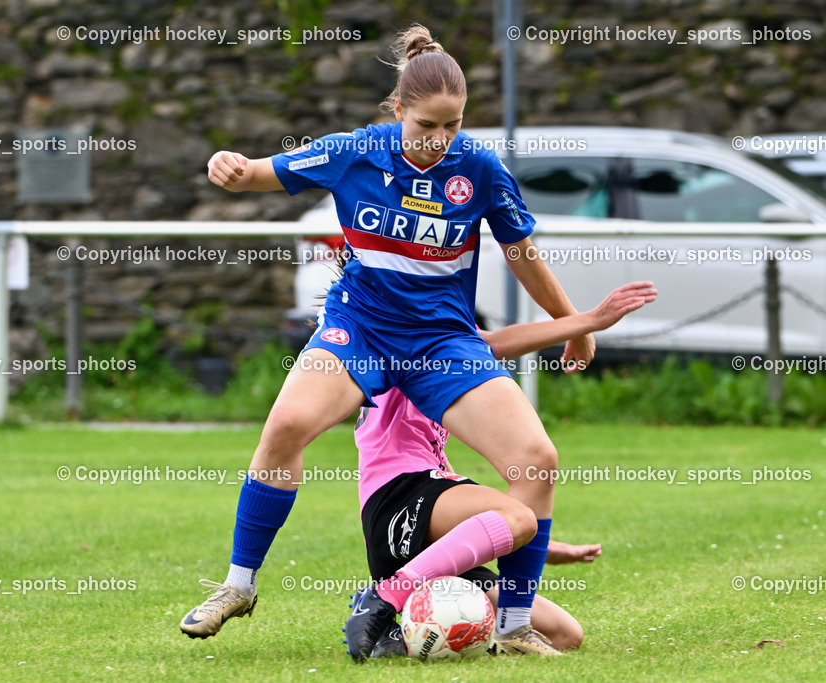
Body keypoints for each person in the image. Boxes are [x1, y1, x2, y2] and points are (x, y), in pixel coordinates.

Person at [181, 25, 596, 658]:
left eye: (453, 125)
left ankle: (513, 628)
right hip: (362, 328)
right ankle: (238, 586)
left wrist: (574, 324)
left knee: (536, 459)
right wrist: (230, 168)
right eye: (427, 124)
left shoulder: (480, 168)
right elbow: (258, 174)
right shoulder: (355, 151)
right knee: (286, 426)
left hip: (441, 341)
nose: (439, 139)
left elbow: (522, 253)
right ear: (398, 109)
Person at [351, 282, 657, 658]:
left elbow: (493, 343)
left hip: (427, 524)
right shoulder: (397, 330)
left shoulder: (432, 344)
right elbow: (498, 342)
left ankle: (399, 639)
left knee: (564, 634)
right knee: (519, 513)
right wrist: (589, 321)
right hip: (398, 499)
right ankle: (383, 598)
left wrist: (540, 546)